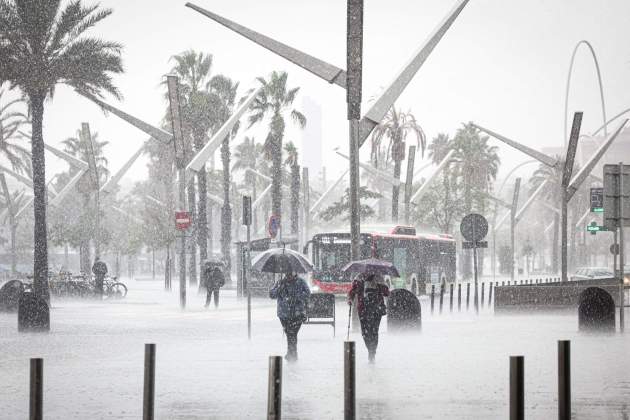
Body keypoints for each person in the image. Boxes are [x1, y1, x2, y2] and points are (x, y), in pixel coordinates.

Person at [347, 273, 390, 363]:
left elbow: (386, 293)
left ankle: (372, 352)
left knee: (373, 332)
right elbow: (352, 291)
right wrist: (350, 298)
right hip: (364, 309)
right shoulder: (359, 278)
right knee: (366, 332)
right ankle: (371, 350)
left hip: (375, 309)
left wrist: (379, 284)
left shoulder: (379, 278)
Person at [269, 272, 311, 362]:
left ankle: (292, 354)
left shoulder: (301, 282)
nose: (289, 276)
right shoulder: (280, 282)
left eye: (291, 273)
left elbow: (307, 293)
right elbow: (272, 295)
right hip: (284, 314)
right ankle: (292, 353)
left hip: (297, 313)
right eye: (287, 273)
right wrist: (279, 289)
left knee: (292, 333)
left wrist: (296, 297)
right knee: (289, 333)